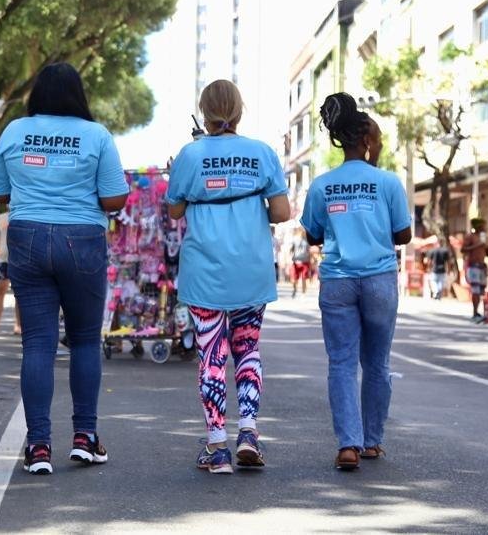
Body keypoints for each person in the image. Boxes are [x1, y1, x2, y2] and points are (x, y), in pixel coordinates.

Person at [0, 62, 129, 475]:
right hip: (82, 239)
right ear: (78, 95)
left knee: (37, 344)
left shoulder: (14, 131)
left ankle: (37, 446)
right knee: (84, 340)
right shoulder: (97, 135)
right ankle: (85, 437)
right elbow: (114, 199)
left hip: (27, 238)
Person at [165, 80, 291, 474]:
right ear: (239, 111)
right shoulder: (262, 152)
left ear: (204, 112)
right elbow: (282, 212)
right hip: (251, 269)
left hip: (204, 272)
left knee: (212, 356)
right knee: (247, 350)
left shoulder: (189, 154)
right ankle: (249, 433)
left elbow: (174, 211)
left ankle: (217, 446)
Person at [300, 93, 411, 471]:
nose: (379, 145)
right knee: (377, 363)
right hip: (379, 280)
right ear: (366, 141)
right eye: (377, 140)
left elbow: (312, 235)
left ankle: (348, 444)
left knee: (342, 363)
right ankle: (372, 442)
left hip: (338, 282)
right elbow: (404, 234)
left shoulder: (322, 185)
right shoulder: (388, 182)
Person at [461, 218, 488, 322]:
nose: (484, 227)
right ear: (478, 226)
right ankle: (475, 313)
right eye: (483, 225)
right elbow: (463, 249)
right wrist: (477, 245)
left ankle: (477, 311)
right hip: (473, 266)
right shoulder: (470, 237)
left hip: (481, 266)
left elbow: (487, 253)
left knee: (481, 291)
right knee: (475, 290)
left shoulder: (483, 237)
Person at [290, 229, 311, 298]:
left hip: (305, 261)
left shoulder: (308, 240)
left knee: (304, 278)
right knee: (295, 278)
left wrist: (311, 259)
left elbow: (310, 250)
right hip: (296, 261)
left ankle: (303, 293)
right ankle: (295, 289)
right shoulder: (295, 240)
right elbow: (291, 250)